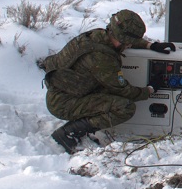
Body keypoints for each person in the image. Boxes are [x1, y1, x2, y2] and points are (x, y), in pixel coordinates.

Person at [38, 9, 173, 153]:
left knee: (109, 94)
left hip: (68, 92)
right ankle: (68, 134)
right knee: (124, 108)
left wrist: (150, 45)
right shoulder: (102, 58)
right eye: (129, 42)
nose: (129, 45)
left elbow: (124, 39)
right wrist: (150, 89)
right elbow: (124, 91)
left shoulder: (99, 36)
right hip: (63, 103)